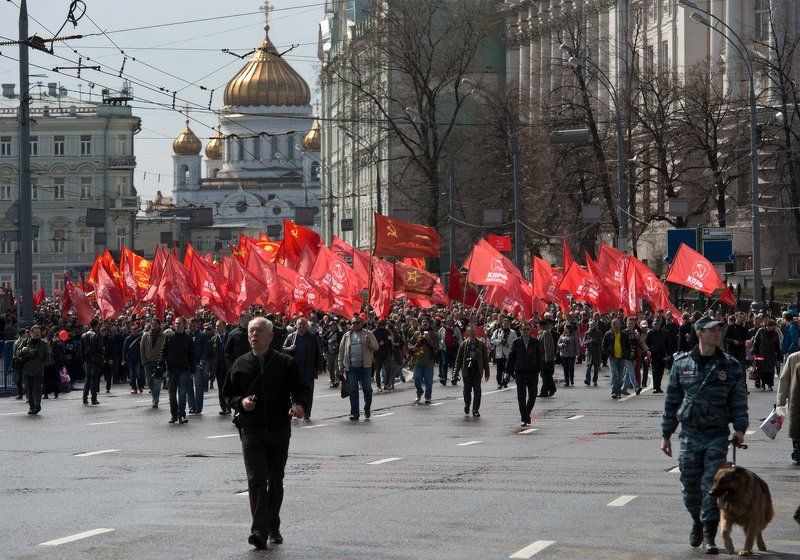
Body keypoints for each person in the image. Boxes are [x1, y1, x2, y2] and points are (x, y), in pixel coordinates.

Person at [661, 315, 748, 554]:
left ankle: (710, 534)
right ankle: (697, 519)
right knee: (689, 484)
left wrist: (740, 428)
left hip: (717, 435)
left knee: (712, 483)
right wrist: (666, 434)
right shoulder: (682, 364)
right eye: (712, 330)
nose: (717, 333)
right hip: (690, 434)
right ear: (700, 333)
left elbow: (738, 401)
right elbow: (672, 401)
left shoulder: (730, 365)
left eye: (719, 329)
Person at [223, 317, 312, 550]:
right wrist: (241, 402)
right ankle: (259, 532)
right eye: (251, 332)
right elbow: (228, 394)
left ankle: (273, 525)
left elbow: (301, 389)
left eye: (259, 331)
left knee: (275, 478)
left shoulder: (285, 362)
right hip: (250, 429)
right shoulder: (240, 364)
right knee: (256, 479)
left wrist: (299, 404)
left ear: (270, 336)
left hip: (278, 429)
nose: (253, 335)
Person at [338, 316, 379, 420]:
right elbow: (341, 351)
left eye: (357, 323)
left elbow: (376, 347)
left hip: (365, 367)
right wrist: (340, 365)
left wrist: (369, 342)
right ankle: (355, 413)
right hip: (351, 368)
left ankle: (367, 408)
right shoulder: (347, 335)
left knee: (367, 389)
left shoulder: (368, 333)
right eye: (353, 323)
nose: (355, 324)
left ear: (362, 323)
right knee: (352, 390)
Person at [283, 317, 324, 421]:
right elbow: (282, 349)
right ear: (296, 325)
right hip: (294, 369)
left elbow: (318, 352)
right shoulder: (291, 336)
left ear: (307, 326)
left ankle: (306, 412)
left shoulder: (313, 337)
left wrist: (319, 367)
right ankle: (295, 411)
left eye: (304, 324)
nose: (301, 326)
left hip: (308, 369)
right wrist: (289, 348)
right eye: (300, 324)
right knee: (293, 392)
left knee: (308, 391)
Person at [506, 321, 542, 426]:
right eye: (524, 329)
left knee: (533, 395)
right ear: (520, 331)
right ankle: (524, 418)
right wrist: (507, 371)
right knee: (521, 397)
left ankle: (527, 413)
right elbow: (511, 357)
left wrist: (538, 369)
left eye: (527, 329)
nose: (526, 331)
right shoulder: (516, 342)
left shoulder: (535, 342)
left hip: (532, 372)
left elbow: (540, 356)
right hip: (520, 372)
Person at [160, 317, 195, 424]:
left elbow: (192, 355)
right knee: (172, 394)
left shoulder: (188, 338)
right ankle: (174, 416)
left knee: (182, 393)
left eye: (179, 323)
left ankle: (182, 415)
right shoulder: (169, 337)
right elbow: (163, 351)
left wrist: (192, 371)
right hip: (171, 370)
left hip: (183, 370)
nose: (177, 325)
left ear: (184, 325)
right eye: (176, 323)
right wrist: (160, 364)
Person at [452, 325, 490, 417]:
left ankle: (475, 410)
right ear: (468, 333)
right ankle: (467, 405)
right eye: (471, 332)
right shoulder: (464, 344)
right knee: (466, 390)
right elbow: (458, 360)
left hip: (477, 370)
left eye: (474, 331)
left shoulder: (481, 344)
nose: (472, 333)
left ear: (476, 332)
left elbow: (485, 359)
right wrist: (455, 372)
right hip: (467, 370)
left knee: (477, 391)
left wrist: (487, 372)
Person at [15, 324, 49, 415]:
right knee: (29, 390)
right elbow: (17, 353)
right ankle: (32, 407)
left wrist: (42, 365)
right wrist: (22, 351)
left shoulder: (44, 344)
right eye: (36, 332)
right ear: (31, 333)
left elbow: (47, 358)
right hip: (27, 370)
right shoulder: (25, 342)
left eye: (39, 332)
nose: (38, 334)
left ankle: (37, 406)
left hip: (38, 371)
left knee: (37, 389)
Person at [777, 349, 800, 466]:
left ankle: (797, 450)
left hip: (795, 399)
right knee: (796, 427)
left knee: (796, 427)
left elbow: (784, 379)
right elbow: (784, 379)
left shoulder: (793, 357)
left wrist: (780, 401)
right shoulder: (793, 358)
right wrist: (781, 400)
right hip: (795, 398)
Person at [410, 317, 440, 404]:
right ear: (421, 324)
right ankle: (419, 392)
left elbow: (436, 347)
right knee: (416, 378)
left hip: (429, 361)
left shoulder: (433, 334)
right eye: (423, 322)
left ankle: (428, 397)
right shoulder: (416, 333)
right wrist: (412, 347)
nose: (425, 323)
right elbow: (409, 343)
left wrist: (428, 339)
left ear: (429, 324)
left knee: (428, 381)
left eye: (426, 322)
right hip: (417, 361)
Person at [187, 319, 211, 415]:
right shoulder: (186, 334)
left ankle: (198, 407)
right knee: (189, 386)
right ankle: (191, 406)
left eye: (193, 325)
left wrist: (202, 361)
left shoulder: (202, 335)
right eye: (190, 325)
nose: (192, 327)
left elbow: (205, 349)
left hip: (198, 364)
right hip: (188, 364)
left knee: (198, 386)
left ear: (197, 325)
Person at [753, 319, 782, 391]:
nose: (773, 328)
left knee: (770, 370)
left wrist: (779, 354)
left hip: (771, 355)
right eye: (771, 326)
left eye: (774, 326)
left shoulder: (775, 334)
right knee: (762, 369)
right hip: (761, 353)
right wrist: (754, 351)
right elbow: (756, 341)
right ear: (767, 326)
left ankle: (770, 384)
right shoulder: (761, 331)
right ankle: (763, 384)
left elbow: (777, 345)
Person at [141, 323, 166, 408]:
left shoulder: (163, 336)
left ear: (159, 325)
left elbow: (166, 348)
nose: (154, 326)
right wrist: (144, 361)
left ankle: (155, 399)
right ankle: (154, 396)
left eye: (155, 324)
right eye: (152, 324)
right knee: (149, 382)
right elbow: (142, 348)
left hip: (158, 363)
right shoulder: (146, 336)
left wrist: (163, 361)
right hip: (148, 362)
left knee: (157, 383)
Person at [81, 319, 105, 406]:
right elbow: (100, 348)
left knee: (88, 379)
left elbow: (81, 350)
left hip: (87, 360)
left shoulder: (83, 335)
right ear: (96, 325)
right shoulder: (97, 335)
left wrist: (83, 361)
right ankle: (94, 399)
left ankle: (84, 398)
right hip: (96, 360)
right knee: (94, 379)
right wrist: (103, 352)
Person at [490, 317, 516, 389]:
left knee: (507, 370)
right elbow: (492, 340)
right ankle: (499, 383)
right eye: (504, 324)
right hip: (499, 354)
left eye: (507, 324)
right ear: (502, 324)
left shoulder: (513, 332)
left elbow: (515, 341)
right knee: (499, 370)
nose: (506, 325)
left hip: (508, 354)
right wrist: (499, 341)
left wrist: (508, 344)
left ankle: (505, 382)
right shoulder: (497, 331)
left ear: (509, 324)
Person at [210, 320, 230, 415]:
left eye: (219, 326)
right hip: (218, 367)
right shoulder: (214, 339)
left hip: (228, 367)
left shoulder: (230, 337)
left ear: (224, 326)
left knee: (229, 387)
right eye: (216, 326)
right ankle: (223, 408)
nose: (217, 327)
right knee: (221, 388)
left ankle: (229, 406)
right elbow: (211, 353)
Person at [645, 319, 669, 393]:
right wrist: (648, 352)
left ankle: (658, 386)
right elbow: (647, 343)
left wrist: (668, 353)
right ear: (652, 325)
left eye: (658, 324)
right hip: (653, 354)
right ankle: (656, 387)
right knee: (655, 370)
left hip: (662, 354)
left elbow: (667, 343)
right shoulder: (650, 333)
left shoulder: (664, 332)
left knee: (661, 371)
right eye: (655, 324)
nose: (657, 325)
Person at [438, 317, 462, 386]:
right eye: (448, 321)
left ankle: (454, 377)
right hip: (445, 349)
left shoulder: (456, 329)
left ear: (452, 322)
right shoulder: (442, 329)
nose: (449, 322)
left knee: (455, 364)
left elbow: (460, 338)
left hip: (454, 349)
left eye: (450, 321)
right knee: (445, 363)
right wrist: (441, 347)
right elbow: (439, 339)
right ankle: (444, 378)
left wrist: (460, 348)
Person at [372, 319, 394, 391]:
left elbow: (390, 343)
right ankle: (379, 386)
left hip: (386, 353)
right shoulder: (375, 332)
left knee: (388, 369)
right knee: (378, 371)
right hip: (377, 353)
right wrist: (378, 343)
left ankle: (386, 384)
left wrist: (391, 353)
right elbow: (372, 342)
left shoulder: (386, 331)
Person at [537, 318, 557, 397]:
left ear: (542, 326)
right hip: (542, 359)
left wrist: (547, 359)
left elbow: (547, 347)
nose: (538, 327)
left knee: (545, 375)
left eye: (539, 325)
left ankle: (548, 390)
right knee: (545, 375)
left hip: (545, 359)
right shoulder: (542, 333)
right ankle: (547, 391)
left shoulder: (545, 333)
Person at [122, 326, 143, 394]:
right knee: (132, 375)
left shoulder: (140, 338)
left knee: (138, 374)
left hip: (138, 359)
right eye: (133, 330)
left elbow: (143, 348)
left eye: (135, 330)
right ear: (131, 331)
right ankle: (134, 388)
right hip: (130, 359)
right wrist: (124, 359)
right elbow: (125, 349)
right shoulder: (128, 339)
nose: (134, 331)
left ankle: (139, 386)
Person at [324, 320, 344, 388]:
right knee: (330, 367)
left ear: (336, 326)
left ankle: (337, 381)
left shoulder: (339, 333)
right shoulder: (327, 333)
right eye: (330, 326)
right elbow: (323, 340)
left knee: (336, 367)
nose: (331, 327)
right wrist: (328, 341)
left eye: (333, 326)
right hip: (329, 352)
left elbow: (342, 342)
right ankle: (333, 381)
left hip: (337, 352)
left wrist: (336, 343)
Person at [582, 320, 602, 386]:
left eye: (592, 325)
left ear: (595, 326)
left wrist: (592, 341)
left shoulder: (599, 333)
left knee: (596, 367)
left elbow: (600, 342)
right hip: (589, 351)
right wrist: (586, 343)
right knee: (589, 366)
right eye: (590, 325)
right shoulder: (587, 333)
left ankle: (595, 380)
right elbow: (584, 342)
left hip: (596, 352)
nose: (591, 326)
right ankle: (587, 379)